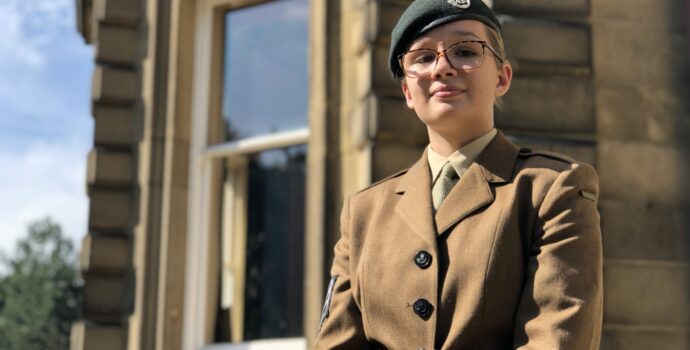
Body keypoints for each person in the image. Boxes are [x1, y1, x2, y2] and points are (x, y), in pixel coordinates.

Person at [314, 0, 603, 349]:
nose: (442, 68)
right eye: (422, 58)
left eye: (465, 51)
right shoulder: (363, 213)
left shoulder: (552, 190)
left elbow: (556, 340)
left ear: (502, 77)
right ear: (407, 91)